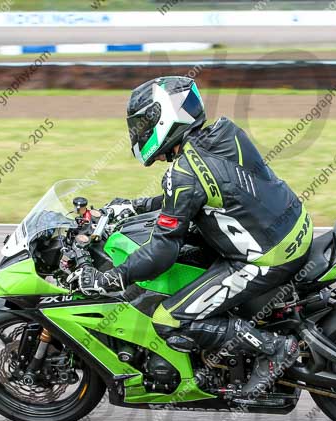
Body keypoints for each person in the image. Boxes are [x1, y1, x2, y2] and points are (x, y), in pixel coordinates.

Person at [77, 76, 312, 396]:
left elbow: (162, 251)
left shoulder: (184, 173)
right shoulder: (226, 134)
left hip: (265, 257)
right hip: (291, 229)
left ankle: (274, 349)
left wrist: (114, 278)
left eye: (143, 123)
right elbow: (200, 197)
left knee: (169, 320)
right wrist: (137, 206)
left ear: (165, 116)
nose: (139, 132)